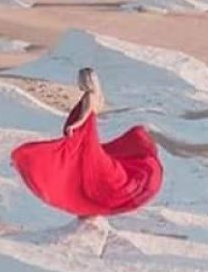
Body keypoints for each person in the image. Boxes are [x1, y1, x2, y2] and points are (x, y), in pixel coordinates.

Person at [10, 67, 163, 217]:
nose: (78, 82)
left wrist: (72, 126)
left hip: (83, 134)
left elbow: (84, 116)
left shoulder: (90, 96)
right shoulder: (97, 96)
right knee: (78, 163)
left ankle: (26, 159)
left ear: (86, 80)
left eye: (80, 79)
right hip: (87, 134)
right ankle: (80, 197)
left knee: (70, 159)